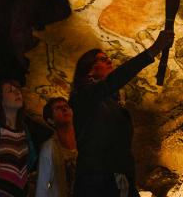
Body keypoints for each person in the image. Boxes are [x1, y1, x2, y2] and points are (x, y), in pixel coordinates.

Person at [69, 30, 174, 197]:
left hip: (119, 180)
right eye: (103, 59)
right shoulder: (83, 97)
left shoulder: (113, 104)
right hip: (95, 184)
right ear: (89, 70)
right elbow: (113, 81)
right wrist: (153, 50)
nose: (110, 60)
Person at [36, 97, 78, 197]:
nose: (64, 109)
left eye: (66, 106)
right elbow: (42, 187)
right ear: (51, 120)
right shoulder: (48, 148)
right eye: (58, 108)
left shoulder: (85, 140)